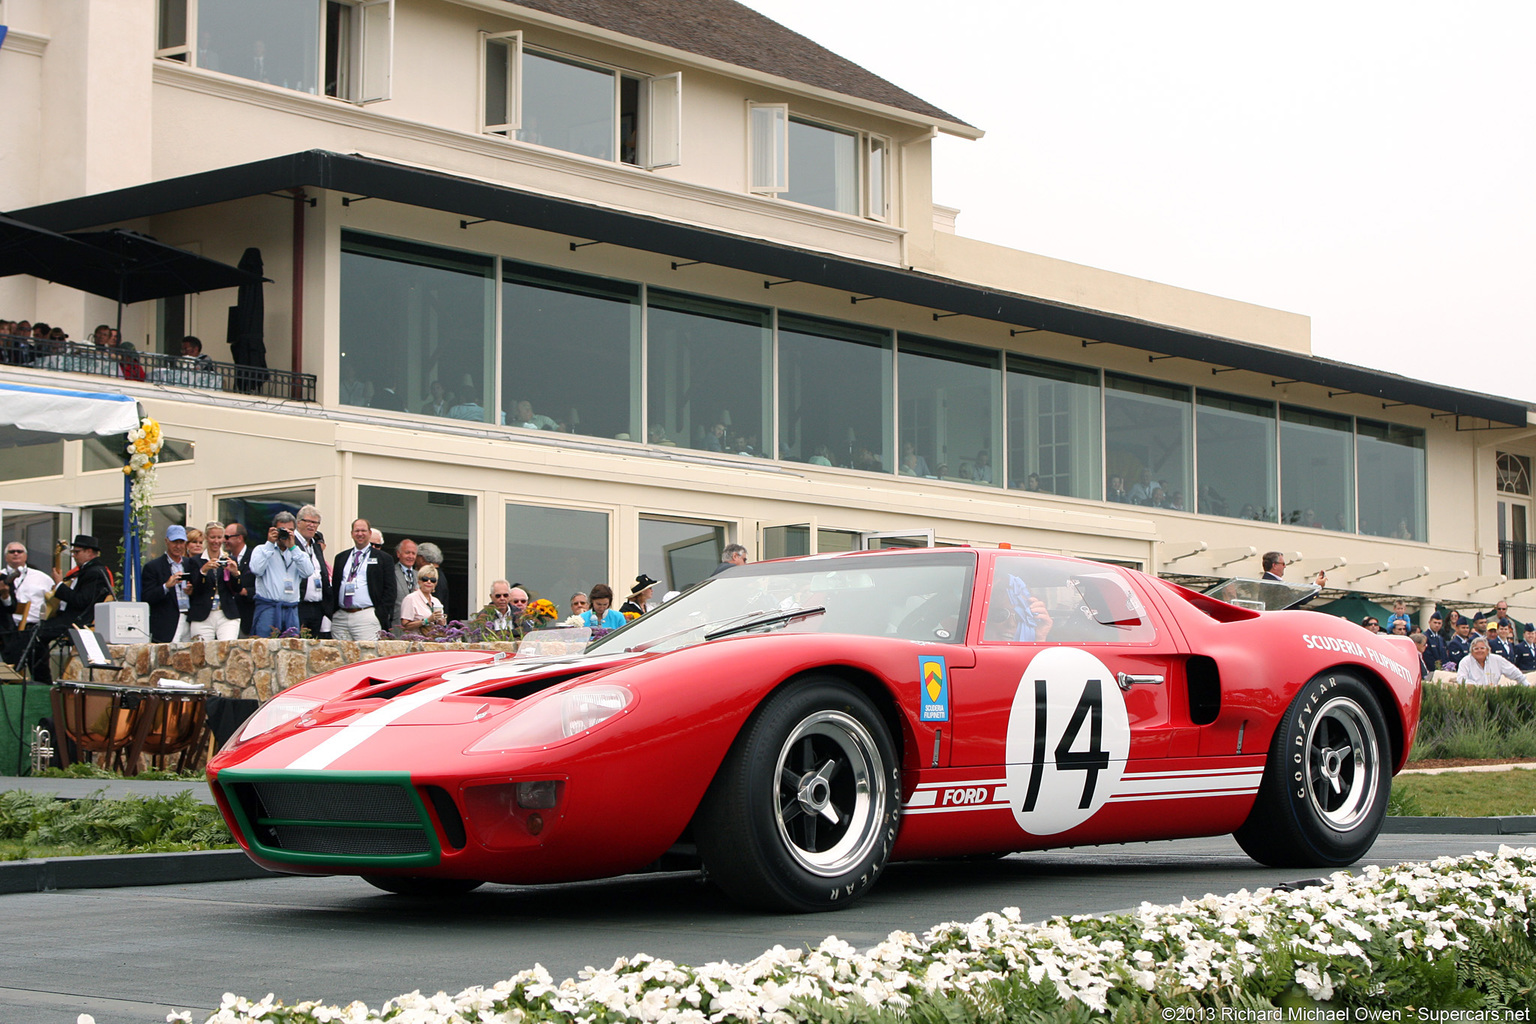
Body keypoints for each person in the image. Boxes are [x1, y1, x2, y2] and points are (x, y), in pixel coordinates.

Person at [29, 535, 116, 682]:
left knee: (36, 634)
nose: (74, 556)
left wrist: (59, 586)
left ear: (89, 552)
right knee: (33, 630)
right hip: (69, 617)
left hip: (78, 621)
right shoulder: (84, 571)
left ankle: (42, 680)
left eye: (77, 552)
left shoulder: (95, 572)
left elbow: (81, 601)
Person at [326, 518, 396, 641]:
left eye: (363, 530)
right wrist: (333, 612)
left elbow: (390, 590)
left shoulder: (383, 558)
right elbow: (335, 586)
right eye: (357, 530)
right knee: (340, 656)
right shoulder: (341, 557)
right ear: (352, 533)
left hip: (366, 615)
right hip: (341, 616)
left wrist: (379, 614)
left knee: (367, 655)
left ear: (369, 533)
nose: (360, 534)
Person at [248, 512, 315, 638]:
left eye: (290, 530)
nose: (286, 533)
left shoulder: (298, 553)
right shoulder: (262, 550)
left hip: (291, 610)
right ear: (273, 530)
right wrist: (269, 543)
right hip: (269, 608)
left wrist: (293, 548)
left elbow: (308, 572)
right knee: (264, 648)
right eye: (282, 530)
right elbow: (256, 569)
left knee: (292, 651)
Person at [142, 524, 196, 643]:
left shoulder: (191, 564)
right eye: (174, 542)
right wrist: (166, 586)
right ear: (167, 541)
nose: (178, 546)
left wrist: (192, 591)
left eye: (181, 542)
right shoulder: (153, 567)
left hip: (190, 618)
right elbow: (147, 597)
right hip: (167, 622)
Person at [188, 521, 242, 641]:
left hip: (226, 614)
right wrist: (203, 571)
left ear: (223, 538)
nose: (216, 541)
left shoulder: (230, 559)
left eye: (219, 537)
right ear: (206, 537)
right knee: (201, 653)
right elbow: (196, 589)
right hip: (202, 615)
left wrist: (235, 573)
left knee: (227, 648)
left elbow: (237, 589)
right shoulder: (196, 561)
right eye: (212, 537)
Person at [292, 505, 329, 639]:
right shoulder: (291, 542)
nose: (311, 526)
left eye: (315, 523)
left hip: (317, 605)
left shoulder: (315, 545)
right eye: (308, 521)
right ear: (298, 522)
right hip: (299, 604)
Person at [3, 541, 51, 630]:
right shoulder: (1, 577)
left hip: (33, 628)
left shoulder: (42, 577)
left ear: (26, 556)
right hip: (5, 630)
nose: (16, 553)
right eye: (12, 552)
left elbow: (55, 602)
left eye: (19, 551)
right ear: (6, 557)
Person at [222, 522, 257, 637]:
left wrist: (246, 591)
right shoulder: (223, 559)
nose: (224, 540)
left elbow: (264, 583)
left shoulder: (254, 556)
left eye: (227, 537)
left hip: (247, 615)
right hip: (226, 616)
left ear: (239, 538)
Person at [1456, 637, 1528, 687]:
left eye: (1482, 648)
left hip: (1493, 695)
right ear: (1471, 651)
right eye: (1476, 649)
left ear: (1488, 650)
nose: (1479, 651)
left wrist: (1525, 684)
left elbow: (1513, 671)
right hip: (1473, 696)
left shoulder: (1497, 659)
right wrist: (1477, 687)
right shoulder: (1465, 661)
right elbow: (1461, 679)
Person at [392, 538, 419, 629]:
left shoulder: (419, 575)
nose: (411, 556)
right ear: (398, 554)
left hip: (417, 627)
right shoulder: (390, 572)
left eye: (413, 553)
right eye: (407, 553)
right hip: (396, 624)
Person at [1260, 551, 1326, 588]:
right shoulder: (1272, 583)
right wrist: (1316, 585)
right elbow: (1296, 597)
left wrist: (1316, 584)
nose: (1285, 566)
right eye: (1283, 564)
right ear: (1274, 565)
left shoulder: (1269, 581)